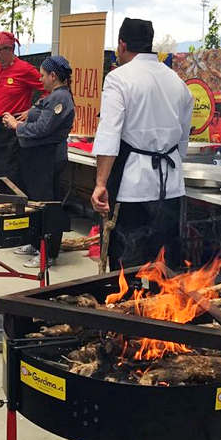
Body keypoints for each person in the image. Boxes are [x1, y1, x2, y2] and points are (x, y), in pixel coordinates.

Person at [90, 18, 194, 272]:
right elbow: (183, 137)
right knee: (164, 263)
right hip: (170, 184)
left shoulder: (119, 78)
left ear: (122, 45)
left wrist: (101, 184)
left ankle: (124, 308)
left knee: (127, 261)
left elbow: (109, 133)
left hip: (132, 184)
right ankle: (159, 309)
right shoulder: (176, 81)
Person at [2, 55, 75, 268]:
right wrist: (28, 114)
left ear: (53, 76)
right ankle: (35, 242)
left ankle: (48, 252)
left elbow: (43, 128)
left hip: (48, 158)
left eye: (43, 75)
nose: (40, 79)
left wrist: (17, 126)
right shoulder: (51, 96)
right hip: (35, 158)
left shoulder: (60, 98)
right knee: (34, 202)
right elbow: (40, 115)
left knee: (47, 204)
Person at [0, 31, 44, 185]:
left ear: (10, 49)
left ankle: (11, 203)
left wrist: (32, 110)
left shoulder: (25, 69)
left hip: (11, 127)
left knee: (10, 169)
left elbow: (50, 90)